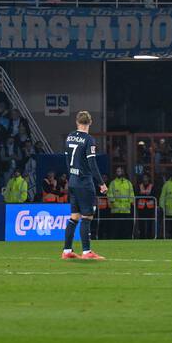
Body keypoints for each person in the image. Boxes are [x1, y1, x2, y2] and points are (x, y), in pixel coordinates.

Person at [61, 111, 107, 261]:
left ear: (77, 122)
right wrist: (101, 183)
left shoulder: (69, 137)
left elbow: (67, 160)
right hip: (84, 182)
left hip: (73, 180)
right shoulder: (89, 139)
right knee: (87, 216)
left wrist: (71, 176)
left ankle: (67, 250)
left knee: (74, 217)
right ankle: (87, 252)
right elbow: (92, 164)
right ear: (90, 122)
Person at [106, 167, 135, 239]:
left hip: (126, 209)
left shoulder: (128, 183)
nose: (119, 172)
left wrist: (132, 202)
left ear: (123, 172)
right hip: (116, 209)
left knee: (126, 227)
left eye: (120, 171)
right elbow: (110, 194)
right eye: (117, 171)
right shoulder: (113, 183)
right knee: (115, 227)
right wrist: (113, 203)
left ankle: (126, 239)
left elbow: (131, 194)